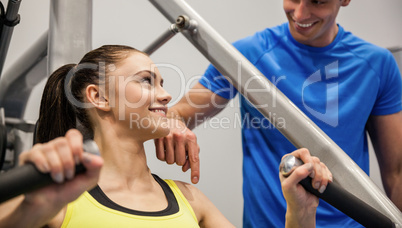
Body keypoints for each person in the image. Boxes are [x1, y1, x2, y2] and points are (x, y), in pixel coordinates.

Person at [155, 0, 402, 227]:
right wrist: (173, 122)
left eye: (317, 2)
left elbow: (396, 173)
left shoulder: (377, 65)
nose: (300, 13)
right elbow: (181, 113)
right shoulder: (247, 56)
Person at [0, 45, 332, 227]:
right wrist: (30, 212)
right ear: (98, 97)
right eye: (146, 81)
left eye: (162, 83)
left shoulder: (189, 199)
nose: (164, 96)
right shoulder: (55, 199)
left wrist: (300, 214)